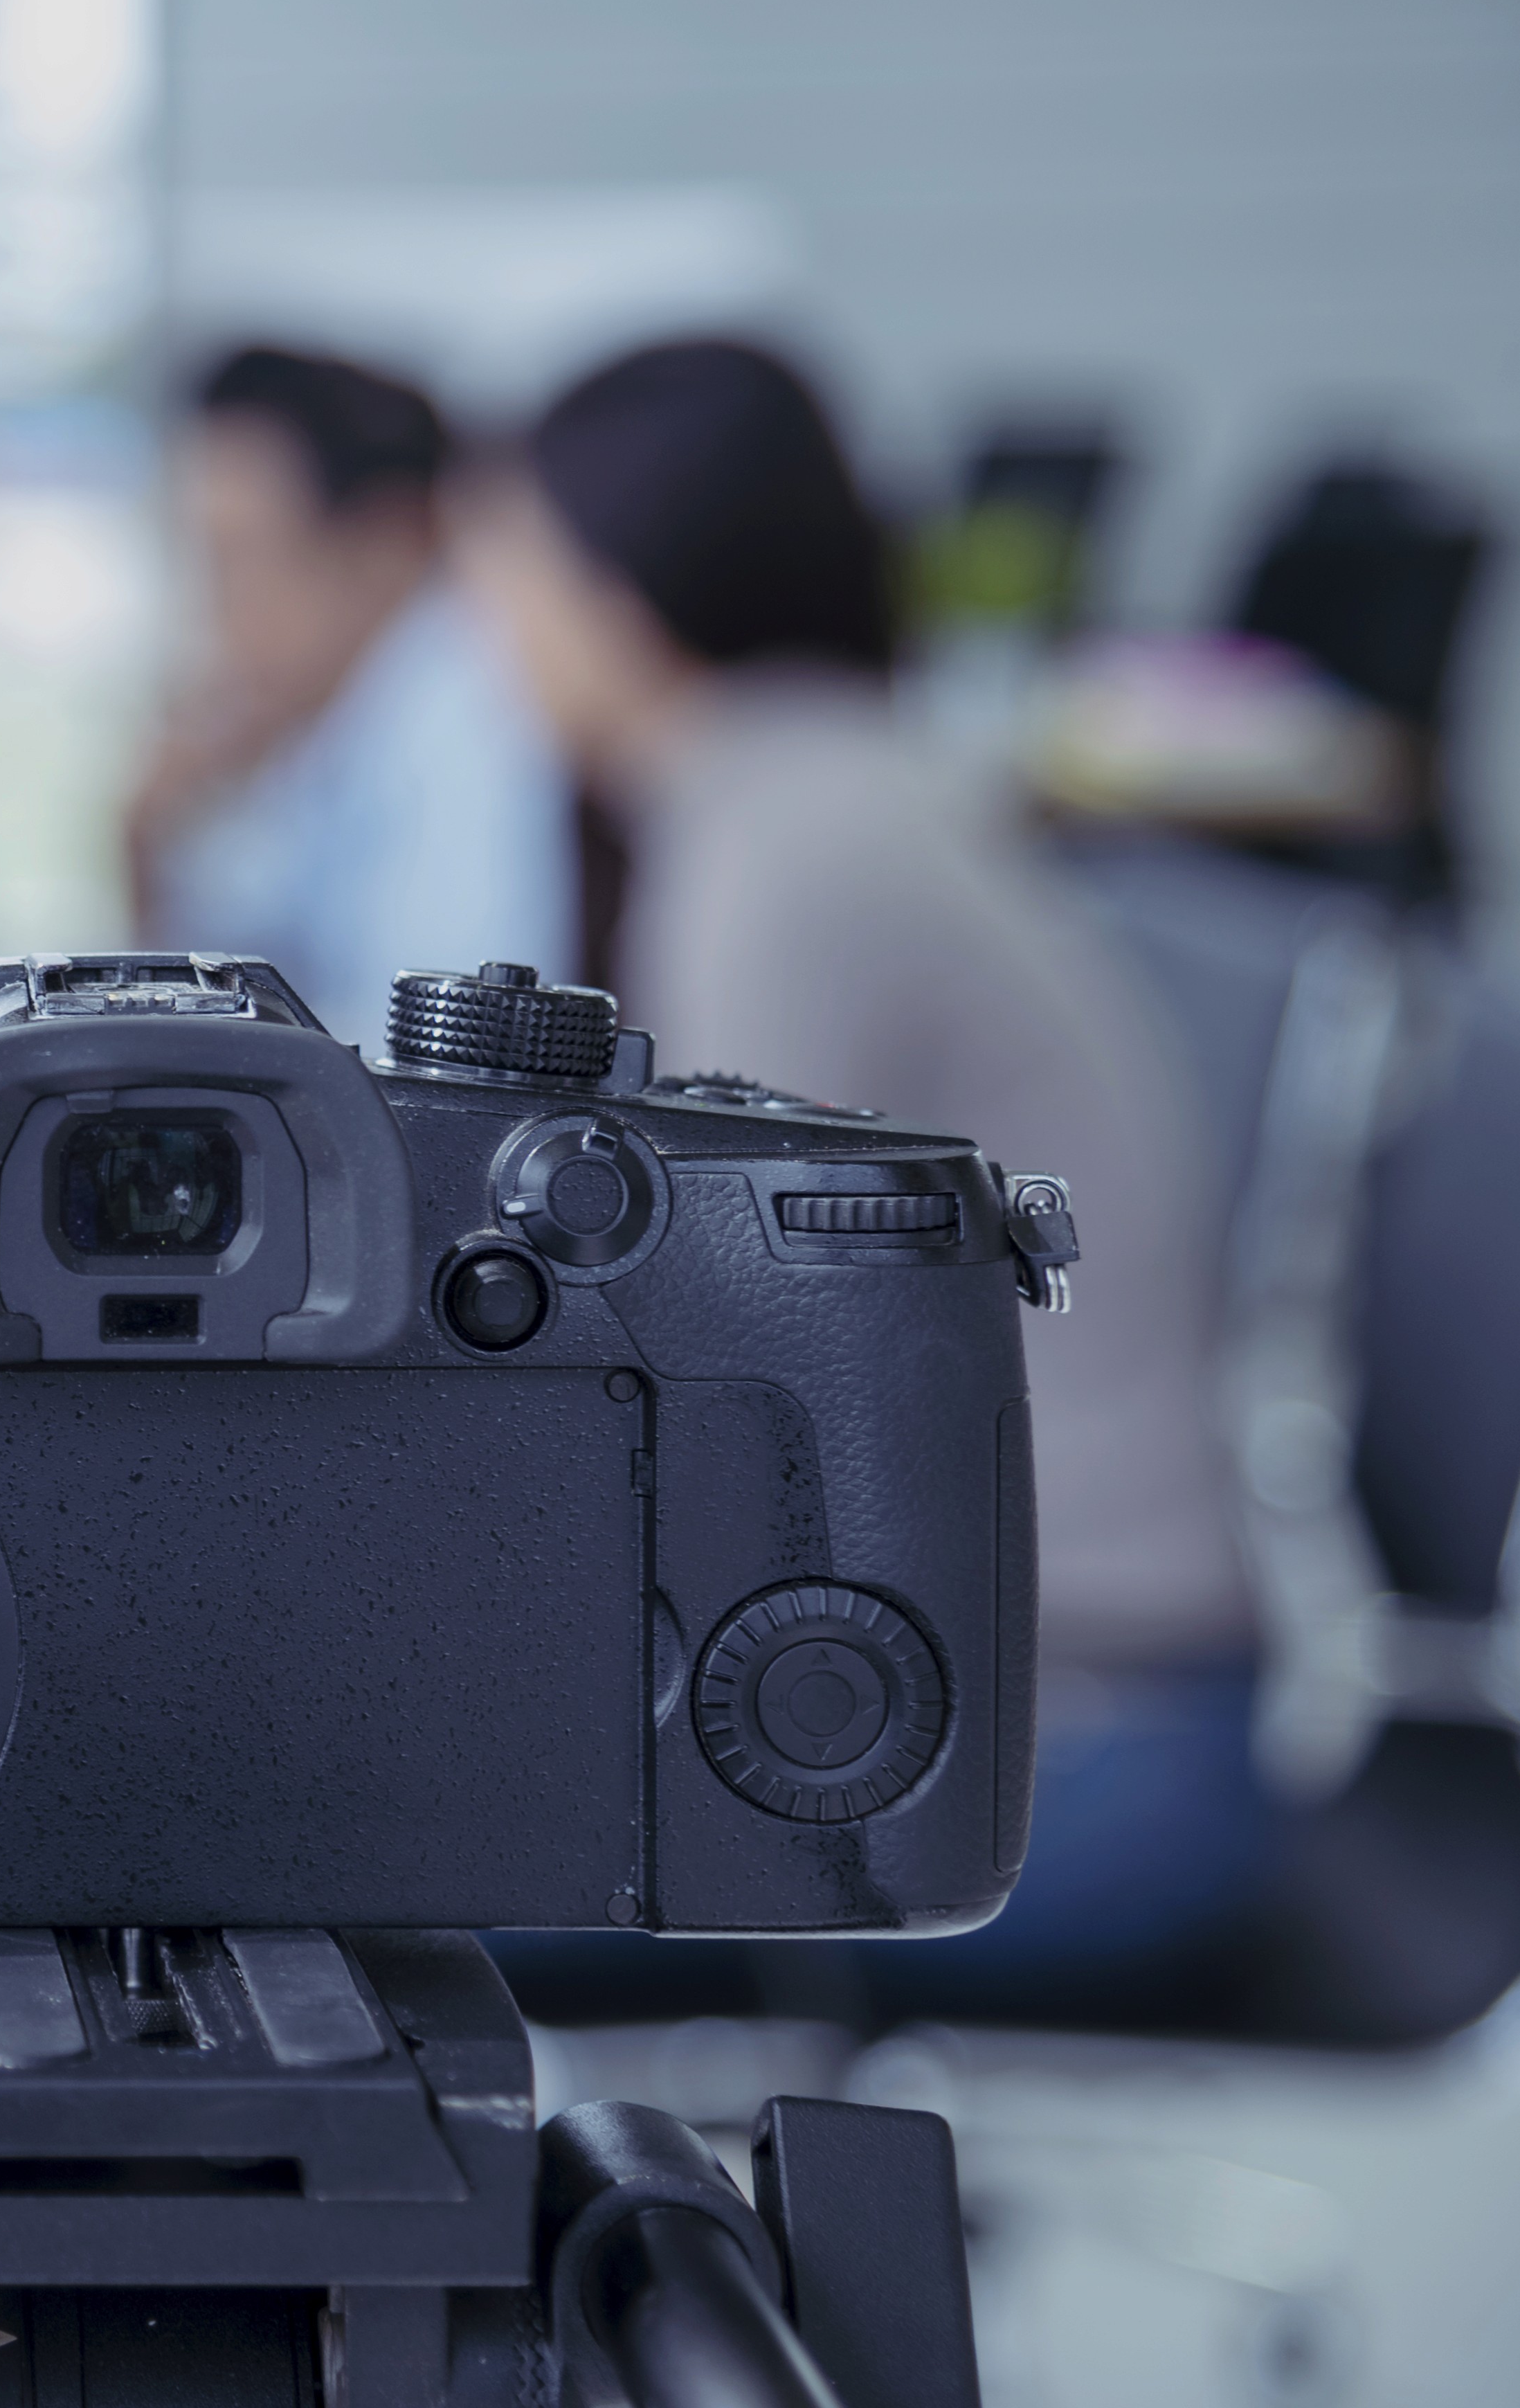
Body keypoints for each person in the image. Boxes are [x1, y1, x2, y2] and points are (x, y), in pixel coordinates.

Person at [455, 336, 1257, 2023]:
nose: (492, 626)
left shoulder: (780, 850)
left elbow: (685, 1366)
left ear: (616, 584)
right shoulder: (834, 786)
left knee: (334, 1863)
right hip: (1054, 1679)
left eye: (506, 565)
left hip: (1064, 1731)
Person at [126, 345, 574, 1042]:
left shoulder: (471, 713)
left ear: (385, 546)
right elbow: (241, 975)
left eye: (237, 558)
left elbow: (441, 1075)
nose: (212, 613)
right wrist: (147, 841)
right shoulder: (337, 721)